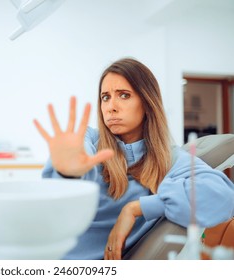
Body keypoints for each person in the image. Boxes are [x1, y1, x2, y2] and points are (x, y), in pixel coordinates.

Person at [33, 58, 234, 260]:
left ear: (147, 103)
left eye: (123, 95)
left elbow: (224, 198)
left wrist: (137, 208)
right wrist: (69, 173)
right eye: (105, 97)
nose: (111, 107)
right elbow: (68, 185)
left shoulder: (169, 160)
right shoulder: (90, 141)